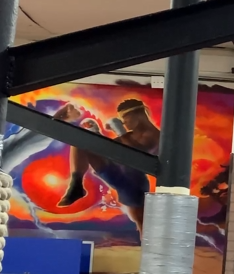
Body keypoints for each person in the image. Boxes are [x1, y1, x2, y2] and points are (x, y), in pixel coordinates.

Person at [56, 99, 161, 232]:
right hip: (116, 173)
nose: (124, 122)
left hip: (134, 183)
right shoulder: (130, 135)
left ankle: (150, 243)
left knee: (142, 224)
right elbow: (109, 148)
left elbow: (138, 155)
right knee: (81, 139)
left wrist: (121, 132)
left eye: (125, 118)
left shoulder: (154, 135)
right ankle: (76, 184)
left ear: (138, 115)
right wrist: (96, 133)